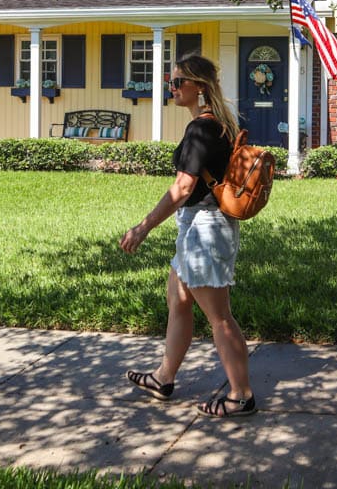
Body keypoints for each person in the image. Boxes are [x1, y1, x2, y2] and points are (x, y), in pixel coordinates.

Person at [118, 52, 257, 418]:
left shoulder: (202, 128)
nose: (173, 87)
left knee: (220, 316)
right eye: (171, 81)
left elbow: (182, 188)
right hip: (200, 225)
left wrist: (143, 227)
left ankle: (241, 396)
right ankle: (164, 377)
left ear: (200, 86)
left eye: (179, 81)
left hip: (205, 229)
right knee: (178, 300)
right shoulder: (216, 124)